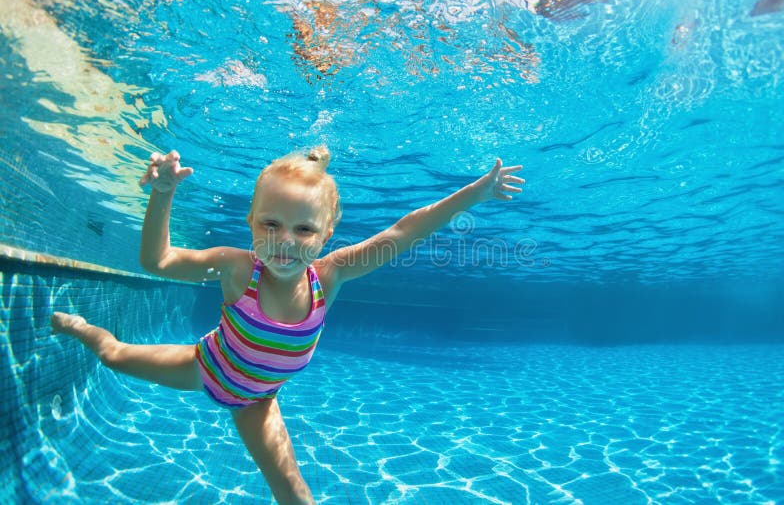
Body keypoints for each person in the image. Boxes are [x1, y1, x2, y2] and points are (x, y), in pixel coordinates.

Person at [50, 146, 524, 504]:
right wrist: (163, 194)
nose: (283, 243)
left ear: (327, 233)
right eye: (270, 224)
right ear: (252, 220)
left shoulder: (331, 275)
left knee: (296, 497)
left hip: (258, 401)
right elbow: (157, 260)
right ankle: (81, 328)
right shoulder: (237, 269)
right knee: (111, 354)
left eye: (303, 230)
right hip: (202, 367)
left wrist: (477, 191)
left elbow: (405, 229)